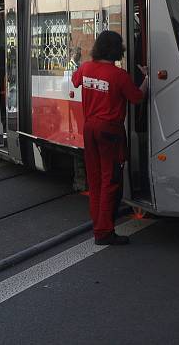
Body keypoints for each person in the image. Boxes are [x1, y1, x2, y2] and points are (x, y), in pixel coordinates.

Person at [72, 30, 148, 246]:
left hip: (90, 129)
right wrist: (147, 78)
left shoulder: (86, 68)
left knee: (94, 180)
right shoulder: (119, 75)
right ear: (117, 50)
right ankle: (104, 232)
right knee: (110, 181)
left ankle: (98, 224)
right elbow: (137, 97)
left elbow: (75, 80)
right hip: (110, 132)